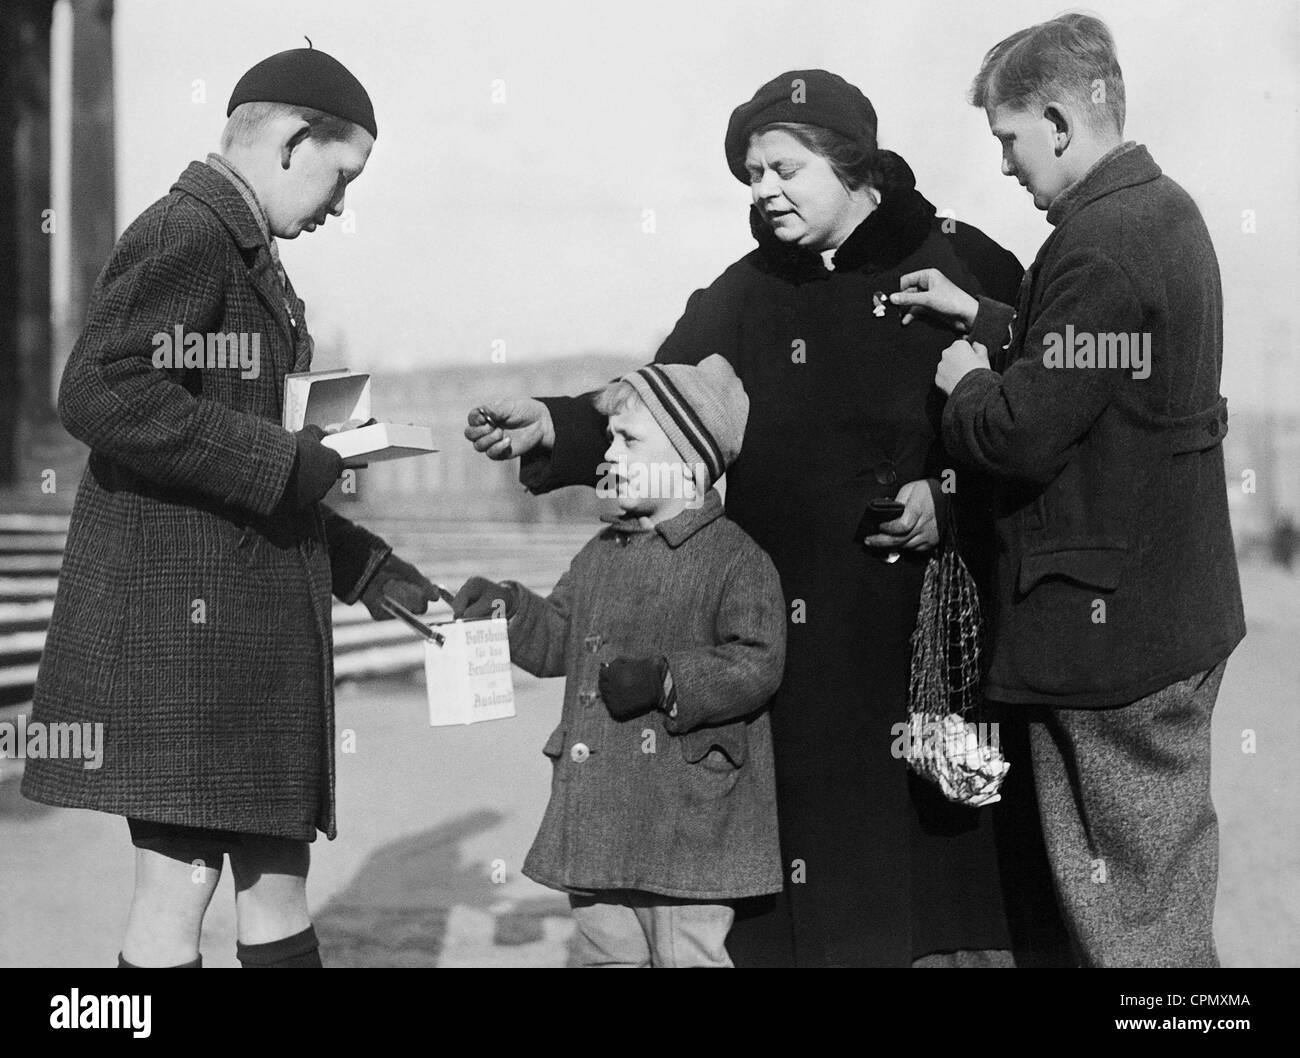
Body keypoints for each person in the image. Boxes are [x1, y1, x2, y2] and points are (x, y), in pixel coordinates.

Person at [466, 70, 1069, 966]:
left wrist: (949, 501)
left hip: (927, 650)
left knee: (945, 899)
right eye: (751, 174)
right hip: (787, 651)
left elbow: (1050, 422)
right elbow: (659, 404)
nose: (763, 190)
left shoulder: (965, 262)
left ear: (851, 162)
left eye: (783, 167)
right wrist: (559, 422)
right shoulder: (740, 295)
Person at [22, 47, 441, 968]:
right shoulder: (190, 232)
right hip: (184, 644)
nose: (341, 206)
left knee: (273, 881)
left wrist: (377, 574)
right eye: (342, 175)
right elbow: (99, 389)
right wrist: (286, 460)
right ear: (295, 140)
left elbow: (254, 468)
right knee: (177, 889)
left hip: (232, 644)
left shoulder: (248, 257)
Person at [891, 14, 1245, 966]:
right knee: (1159, 895)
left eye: (1008, 139)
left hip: (1112, 640)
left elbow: (1018, 433)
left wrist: (965, 378)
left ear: (1055, 118)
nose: (1007, 165)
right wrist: (990, 315)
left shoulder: (1095, 246)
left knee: (1129, 924)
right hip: (1175, 615)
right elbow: (1110, 359)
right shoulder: (1158, 211)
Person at [454, 356, 786, 967]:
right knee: (605, 955)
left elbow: (758, 660)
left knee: (687, 954)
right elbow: (559, 639)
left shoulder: (735, 559)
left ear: (691, 463)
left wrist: (668, 680)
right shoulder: (600, 553)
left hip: (687, 818)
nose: (609, 455)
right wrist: (508, 610)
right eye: (610, 439)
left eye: (628, 440)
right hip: (600, 806)